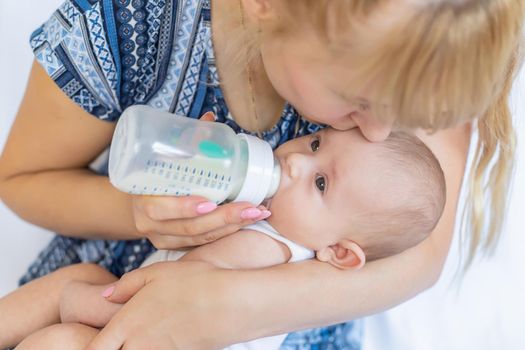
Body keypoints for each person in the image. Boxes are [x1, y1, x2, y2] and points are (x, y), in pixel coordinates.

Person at [0, 0, 522, 348]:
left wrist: (229, 306)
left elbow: (422, 248)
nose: (382, 133)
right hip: (115, 286)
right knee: (68, 308)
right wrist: (137, 213)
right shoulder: (129, 25)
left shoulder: (431, 34)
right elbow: (20, 178)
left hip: (274, 323)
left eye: (406, 114)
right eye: (359, 99)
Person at [0, 127, 446, 349]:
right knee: (83, 282)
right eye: (315, 145)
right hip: (144, 325)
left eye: (321, 183)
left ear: (340, 252)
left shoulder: (267, 248)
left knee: (64, 336)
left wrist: (76, 301)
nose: (294, 163)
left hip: (155, 330)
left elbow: (163, 302)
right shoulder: (275, 226)